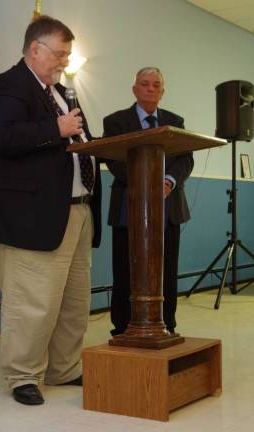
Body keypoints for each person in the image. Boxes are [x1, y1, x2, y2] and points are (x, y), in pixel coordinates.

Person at [0, 15, 101, 406]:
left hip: (77, 212)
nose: (64, 61)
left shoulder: (59, 93)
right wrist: (57, 128)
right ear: (35, 49)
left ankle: (63, 367)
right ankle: (22, 376)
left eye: (67, 55)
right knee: (33, 301)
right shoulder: (8, 86)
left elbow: (76, 139)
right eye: (60, 54)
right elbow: (2, 136)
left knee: (73, 300)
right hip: (36, 214)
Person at [103, 67, 194, 336]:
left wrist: (167, 181)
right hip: (128, 207)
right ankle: (122, 328)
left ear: (162, 92)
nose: (150, 89)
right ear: (134, 89)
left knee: (166, 270)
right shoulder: (116, 121)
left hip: (169, 207)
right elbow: (114, 159)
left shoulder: (175, 120)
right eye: (145, 84)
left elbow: (186, 159)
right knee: (125, 270)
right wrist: (145, 184)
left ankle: (168, 325)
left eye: (156, 85)